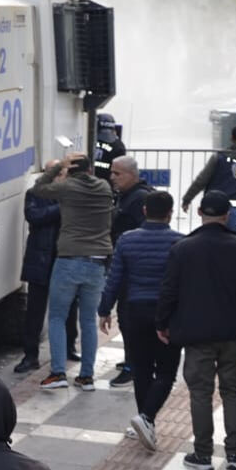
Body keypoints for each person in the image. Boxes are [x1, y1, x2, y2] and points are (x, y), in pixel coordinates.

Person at [157, 191, 236, 470]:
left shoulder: (183, 248)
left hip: (196, 334)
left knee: (200, 393)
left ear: (200, 212)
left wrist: (162, 323)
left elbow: (169, 290)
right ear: (227, 215)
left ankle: (202, 454)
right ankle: (235, 454)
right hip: (234, 334)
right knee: (233, 391)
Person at [98, 191, 184, 452]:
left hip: (134, 311)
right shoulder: (179, 242)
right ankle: (146, 417)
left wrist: (104, 310)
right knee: (167, 371)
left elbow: (115, 278)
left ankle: (144, 420)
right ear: (170, 213)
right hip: (166, 314)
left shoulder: (127, 240)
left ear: (145, 210)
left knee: (141, 369)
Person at [31, 151, 114, 392]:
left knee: (57, 316)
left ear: (70, 171)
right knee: (88, 320)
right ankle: (86, 376)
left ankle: (58, 373)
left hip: (69, 260)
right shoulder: (104, 187)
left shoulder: (66, 188)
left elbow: (39, 188)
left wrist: (57, 168)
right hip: (97, 262)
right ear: (89, 170)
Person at [14, 190, 78, 374]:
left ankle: (69, 347)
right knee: (35, 310)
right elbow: (34, 216)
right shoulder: (35, 194)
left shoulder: (71, 193)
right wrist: (60, 208)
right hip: (40, 260)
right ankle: (30, 355)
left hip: (65, 258)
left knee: (70, 306)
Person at [106, 155, 154, 388]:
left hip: (135, 270)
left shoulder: (139, 198)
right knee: (125, 318)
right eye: (112, 173)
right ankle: (132, 358)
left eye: (117, 174)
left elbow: (145, 233)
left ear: (132, 175)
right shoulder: (127, 196)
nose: (112, 177)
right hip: (127, 266)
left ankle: (133, 366)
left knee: (129, 318)